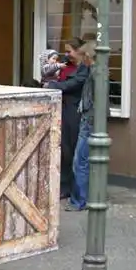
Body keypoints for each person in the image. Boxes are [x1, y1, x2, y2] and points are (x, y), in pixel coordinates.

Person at [44, 37, 84, 199]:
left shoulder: (83, 68)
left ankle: (73, 188)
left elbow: (72, 84)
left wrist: (52, 86)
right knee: (63, 150)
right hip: (62, 109)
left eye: (69, 51)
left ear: (79, 51)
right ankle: (64, 186)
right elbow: (48, 72)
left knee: (71, 150)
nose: (66, 54)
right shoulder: (65, 64)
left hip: (73, 112)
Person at [60, 41, 96, 212]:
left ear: (87, 56)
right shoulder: (94, 71)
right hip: (88, 119)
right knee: (82, 160)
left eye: (83, 56)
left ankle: (79, 201)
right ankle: (82, 198)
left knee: (80, 161)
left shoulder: (94, 73)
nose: (81, 60)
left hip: (89, 120)